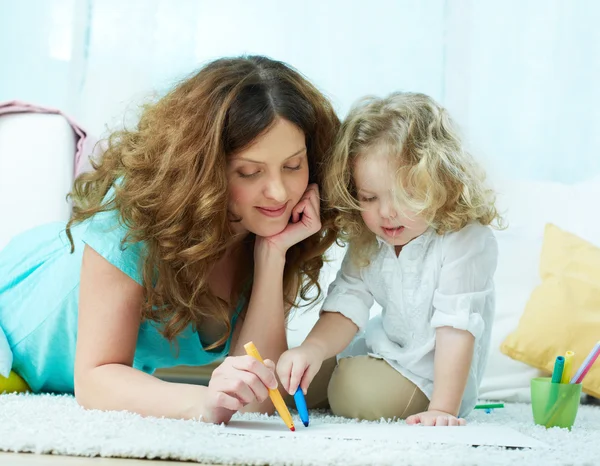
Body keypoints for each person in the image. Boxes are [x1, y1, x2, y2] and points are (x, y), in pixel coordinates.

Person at [0, 55, 340, 425]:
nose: (278, 192)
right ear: (203, 169)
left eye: (293, 165)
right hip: (18, 310)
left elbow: (260, 399)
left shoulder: (273, 229)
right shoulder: (132, 218)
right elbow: (96, 379)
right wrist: (203, 403)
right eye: (248, 171)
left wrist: (273, 255)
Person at [276, 92, 502, 426]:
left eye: (406, 195)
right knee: (288, 380)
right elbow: (347, 303)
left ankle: (351, 380)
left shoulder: (466, 240)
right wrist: (309, 350)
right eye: (369, 198)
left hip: (432, 381)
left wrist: (442, 409)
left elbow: (457, 329)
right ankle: (332, 373)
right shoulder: (371, 238)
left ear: (441, 183)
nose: (386, 213)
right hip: (382, 353)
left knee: (353, 391)